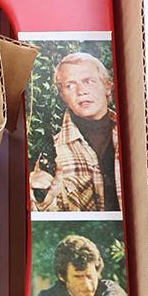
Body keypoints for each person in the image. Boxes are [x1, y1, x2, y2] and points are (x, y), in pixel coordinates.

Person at [29, 52, 121, 212]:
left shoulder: (134, 136)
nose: (81, 91)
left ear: (108, 86)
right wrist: (41, 202)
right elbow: (48, 209)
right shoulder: (55, 153)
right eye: (70, 85)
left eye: (89, 81)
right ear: (62, 95)